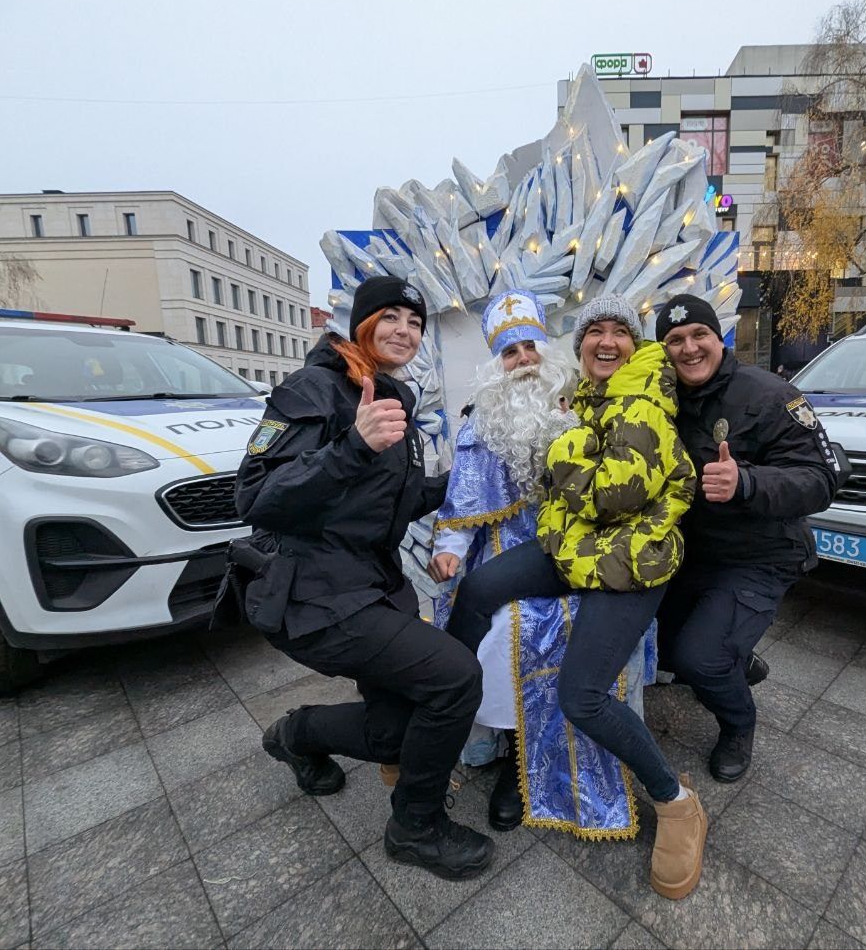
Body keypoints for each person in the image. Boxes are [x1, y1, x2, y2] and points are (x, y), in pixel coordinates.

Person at [445, 295, 708, 900]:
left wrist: (564, 446)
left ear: (635, 343)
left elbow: (617, 494)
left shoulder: (639, 398)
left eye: (621, 331)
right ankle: (440, 710)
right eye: (596, 331)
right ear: (581, 343)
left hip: (630, 561)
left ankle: (676, 802)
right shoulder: (585, 396)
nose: (607, 342)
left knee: (581, 696)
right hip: (576, 546)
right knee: (478, 588)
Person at [232, 275, 494, 881]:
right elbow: (255, 496)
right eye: (391, 317)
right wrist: (352, 444)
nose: (404, 330)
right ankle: (415, 826)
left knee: (396, 732)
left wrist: (476, 480)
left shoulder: (385, 396)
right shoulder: (315, 388)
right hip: (315, 597)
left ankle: (297, 734)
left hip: (370, 585)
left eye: (415, 321)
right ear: (362, 324)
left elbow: (386, 504)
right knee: (455, 678)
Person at [428, 289, 651, 839]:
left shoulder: (588, 405)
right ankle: (514, 759)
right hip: (505, 549)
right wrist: (448, 552)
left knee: (583, 626)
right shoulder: (480, 424)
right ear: (496, 366)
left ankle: (587, 746)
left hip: (589, 551)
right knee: (507, 628)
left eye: (530, 346)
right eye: (510, 353)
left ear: (548, 352)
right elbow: (461, 504)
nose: (524, 359)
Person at [654, 293, 843, 783]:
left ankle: (739, 724)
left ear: (720, 338)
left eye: (699, 335)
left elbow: (821, 479)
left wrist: (748, 482)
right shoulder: (662, 401)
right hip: (694, 555)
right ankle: (736, 656)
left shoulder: (769, 394)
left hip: (760, 555)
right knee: (661, 646)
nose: (689, 348)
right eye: (675, 340)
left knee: (701, 659)